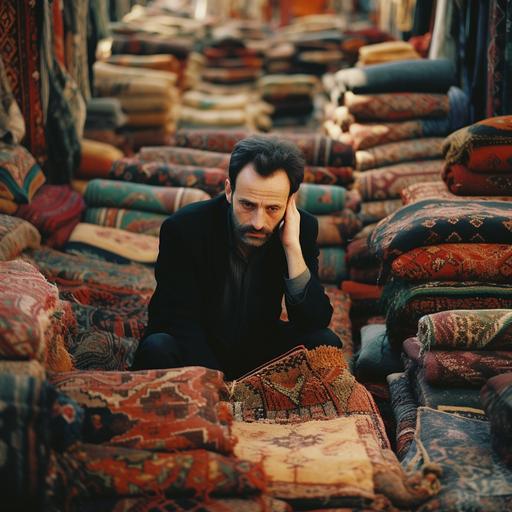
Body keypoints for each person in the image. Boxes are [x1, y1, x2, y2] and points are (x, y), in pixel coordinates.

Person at [131, 136, 341, 379]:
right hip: (194, 348)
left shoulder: (300, 229)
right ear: (229, 191)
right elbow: (177, 319)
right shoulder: (184, 228)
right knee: (157, 348)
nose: (258, 223)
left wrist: (291, 246)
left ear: (289, 202)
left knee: (325, 343)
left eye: (272, 208)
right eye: (248, 205)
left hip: (256, 350)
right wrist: (215, 381)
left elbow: (314, 320)